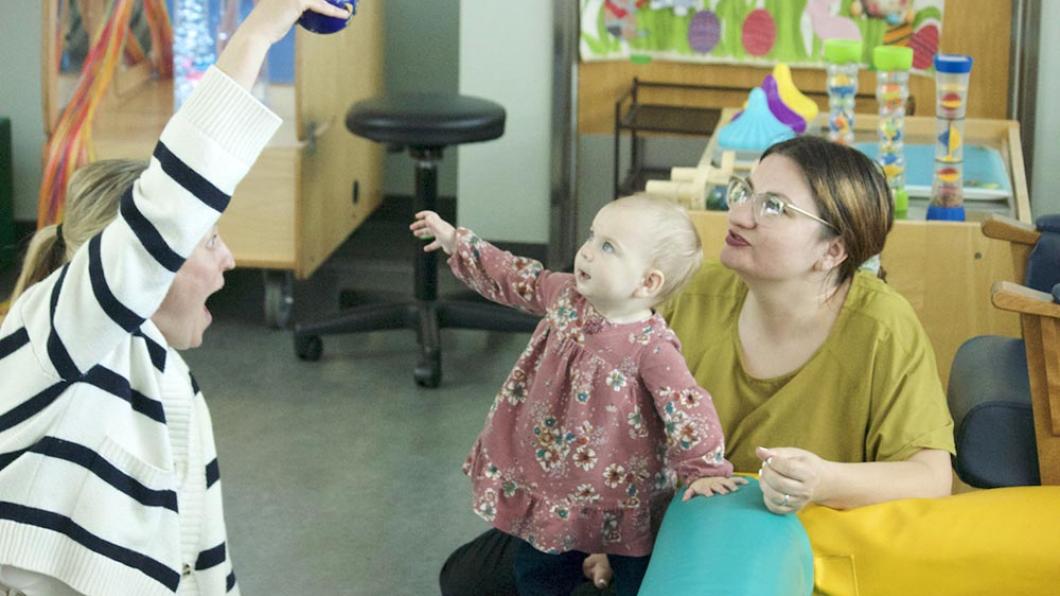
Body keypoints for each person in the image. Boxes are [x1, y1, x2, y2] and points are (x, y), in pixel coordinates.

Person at [438, 135, 955, 595]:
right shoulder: (696, 291)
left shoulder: (881, 326)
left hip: (784, 553)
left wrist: (821, 480)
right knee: (467, 577)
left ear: (832, 250)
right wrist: (609, 531)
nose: (741, 214)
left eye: (773, 206)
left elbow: (931, 477)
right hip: (663, 524)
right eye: (745, 191)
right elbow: (614, 432)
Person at [0, 2, 351, 595]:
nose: (229, 260)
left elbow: (204, 561)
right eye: (210, 239)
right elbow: (173, 203)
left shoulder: (173, 382)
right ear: (147, 262)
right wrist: (261, 30)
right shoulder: (56, 341)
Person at [411, 196, 747, 596]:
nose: (587, 250)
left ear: (648, 282)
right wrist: (458, 242)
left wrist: (704, 468)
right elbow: (519, 277)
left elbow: (687, 406)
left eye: (608, 247)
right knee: (536, 571)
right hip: (551, 483)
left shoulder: (652, 347)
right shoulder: (566, 296)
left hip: (621, 493)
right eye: (592, 235)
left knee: (637, 578)